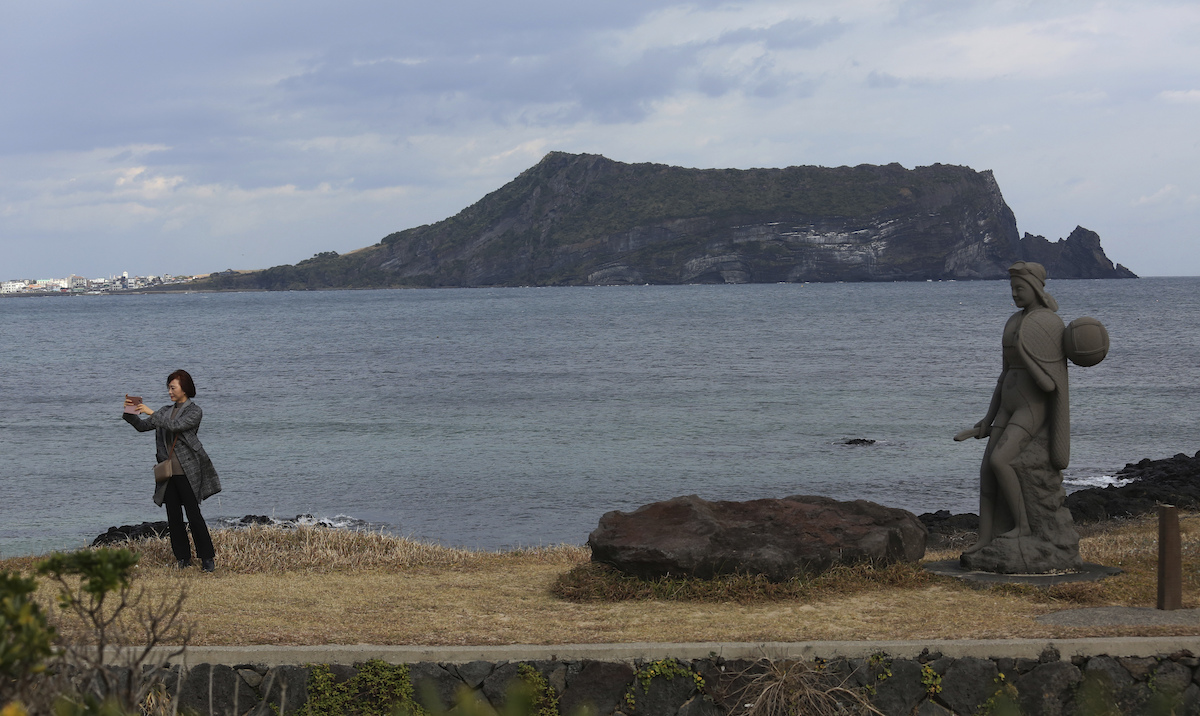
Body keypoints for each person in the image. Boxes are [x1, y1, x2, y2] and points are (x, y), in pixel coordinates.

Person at [954, 261, 1069, 555]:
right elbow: (1004, 375)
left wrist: (1028, 356)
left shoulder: (1047, 324)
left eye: (1020, 288)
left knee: (1001, 461)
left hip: (1031, 407)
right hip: (1008, 403)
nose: (1015, 294)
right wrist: (987, 417)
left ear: (1034, 288)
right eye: (1012, 289)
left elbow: (1050, 386)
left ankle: (1024, 527)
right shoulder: (1012, 322)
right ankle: (986, 537)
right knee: (986, 471)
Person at [123, 369, 222, 571]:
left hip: (188, 471)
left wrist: (152, 412)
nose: (169, 391)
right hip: (168, 473)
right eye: (168, 388)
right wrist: (130, 412)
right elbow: (142, 427)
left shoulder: (194, 411)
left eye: (172, 387)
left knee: (194, 515)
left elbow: (176, 426)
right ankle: (182, 559)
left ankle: (207, 558)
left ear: (184, 389)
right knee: (173, 517)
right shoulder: (165, 410)